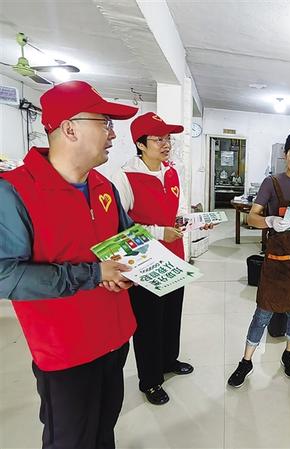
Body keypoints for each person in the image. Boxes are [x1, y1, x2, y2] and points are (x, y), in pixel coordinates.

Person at [0, 80, 138, 449]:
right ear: (70, 128)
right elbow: (5, 275)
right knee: (71, 439)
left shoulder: (103, 186)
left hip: (114, 337)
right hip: (65, 351)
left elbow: (128, 240)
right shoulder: (15, 191)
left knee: (105, 428)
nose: (113, 134)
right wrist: (94, 273)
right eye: (105, 123)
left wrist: (138, 269)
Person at [112, 112, 207, 406]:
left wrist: (195, 221)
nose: (166, 144)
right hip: (144, 262)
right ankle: (150, 380)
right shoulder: (125, 176)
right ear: (140, 144)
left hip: (174, 257)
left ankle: (168, 361)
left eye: (168, 139)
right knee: (149, 323)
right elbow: (118, 227)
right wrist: (157, 232)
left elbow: (177, 213)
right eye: (158, 139)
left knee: (171, 314)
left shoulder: (171, 171)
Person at [227, 130, 290, 388]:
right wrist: (269, 221)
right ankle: (246, 361)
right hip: (277, 258)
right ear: (285, 154)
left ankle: (289, 354)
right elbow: (252, 217)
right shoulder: (272, 183)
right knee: (263, 312)